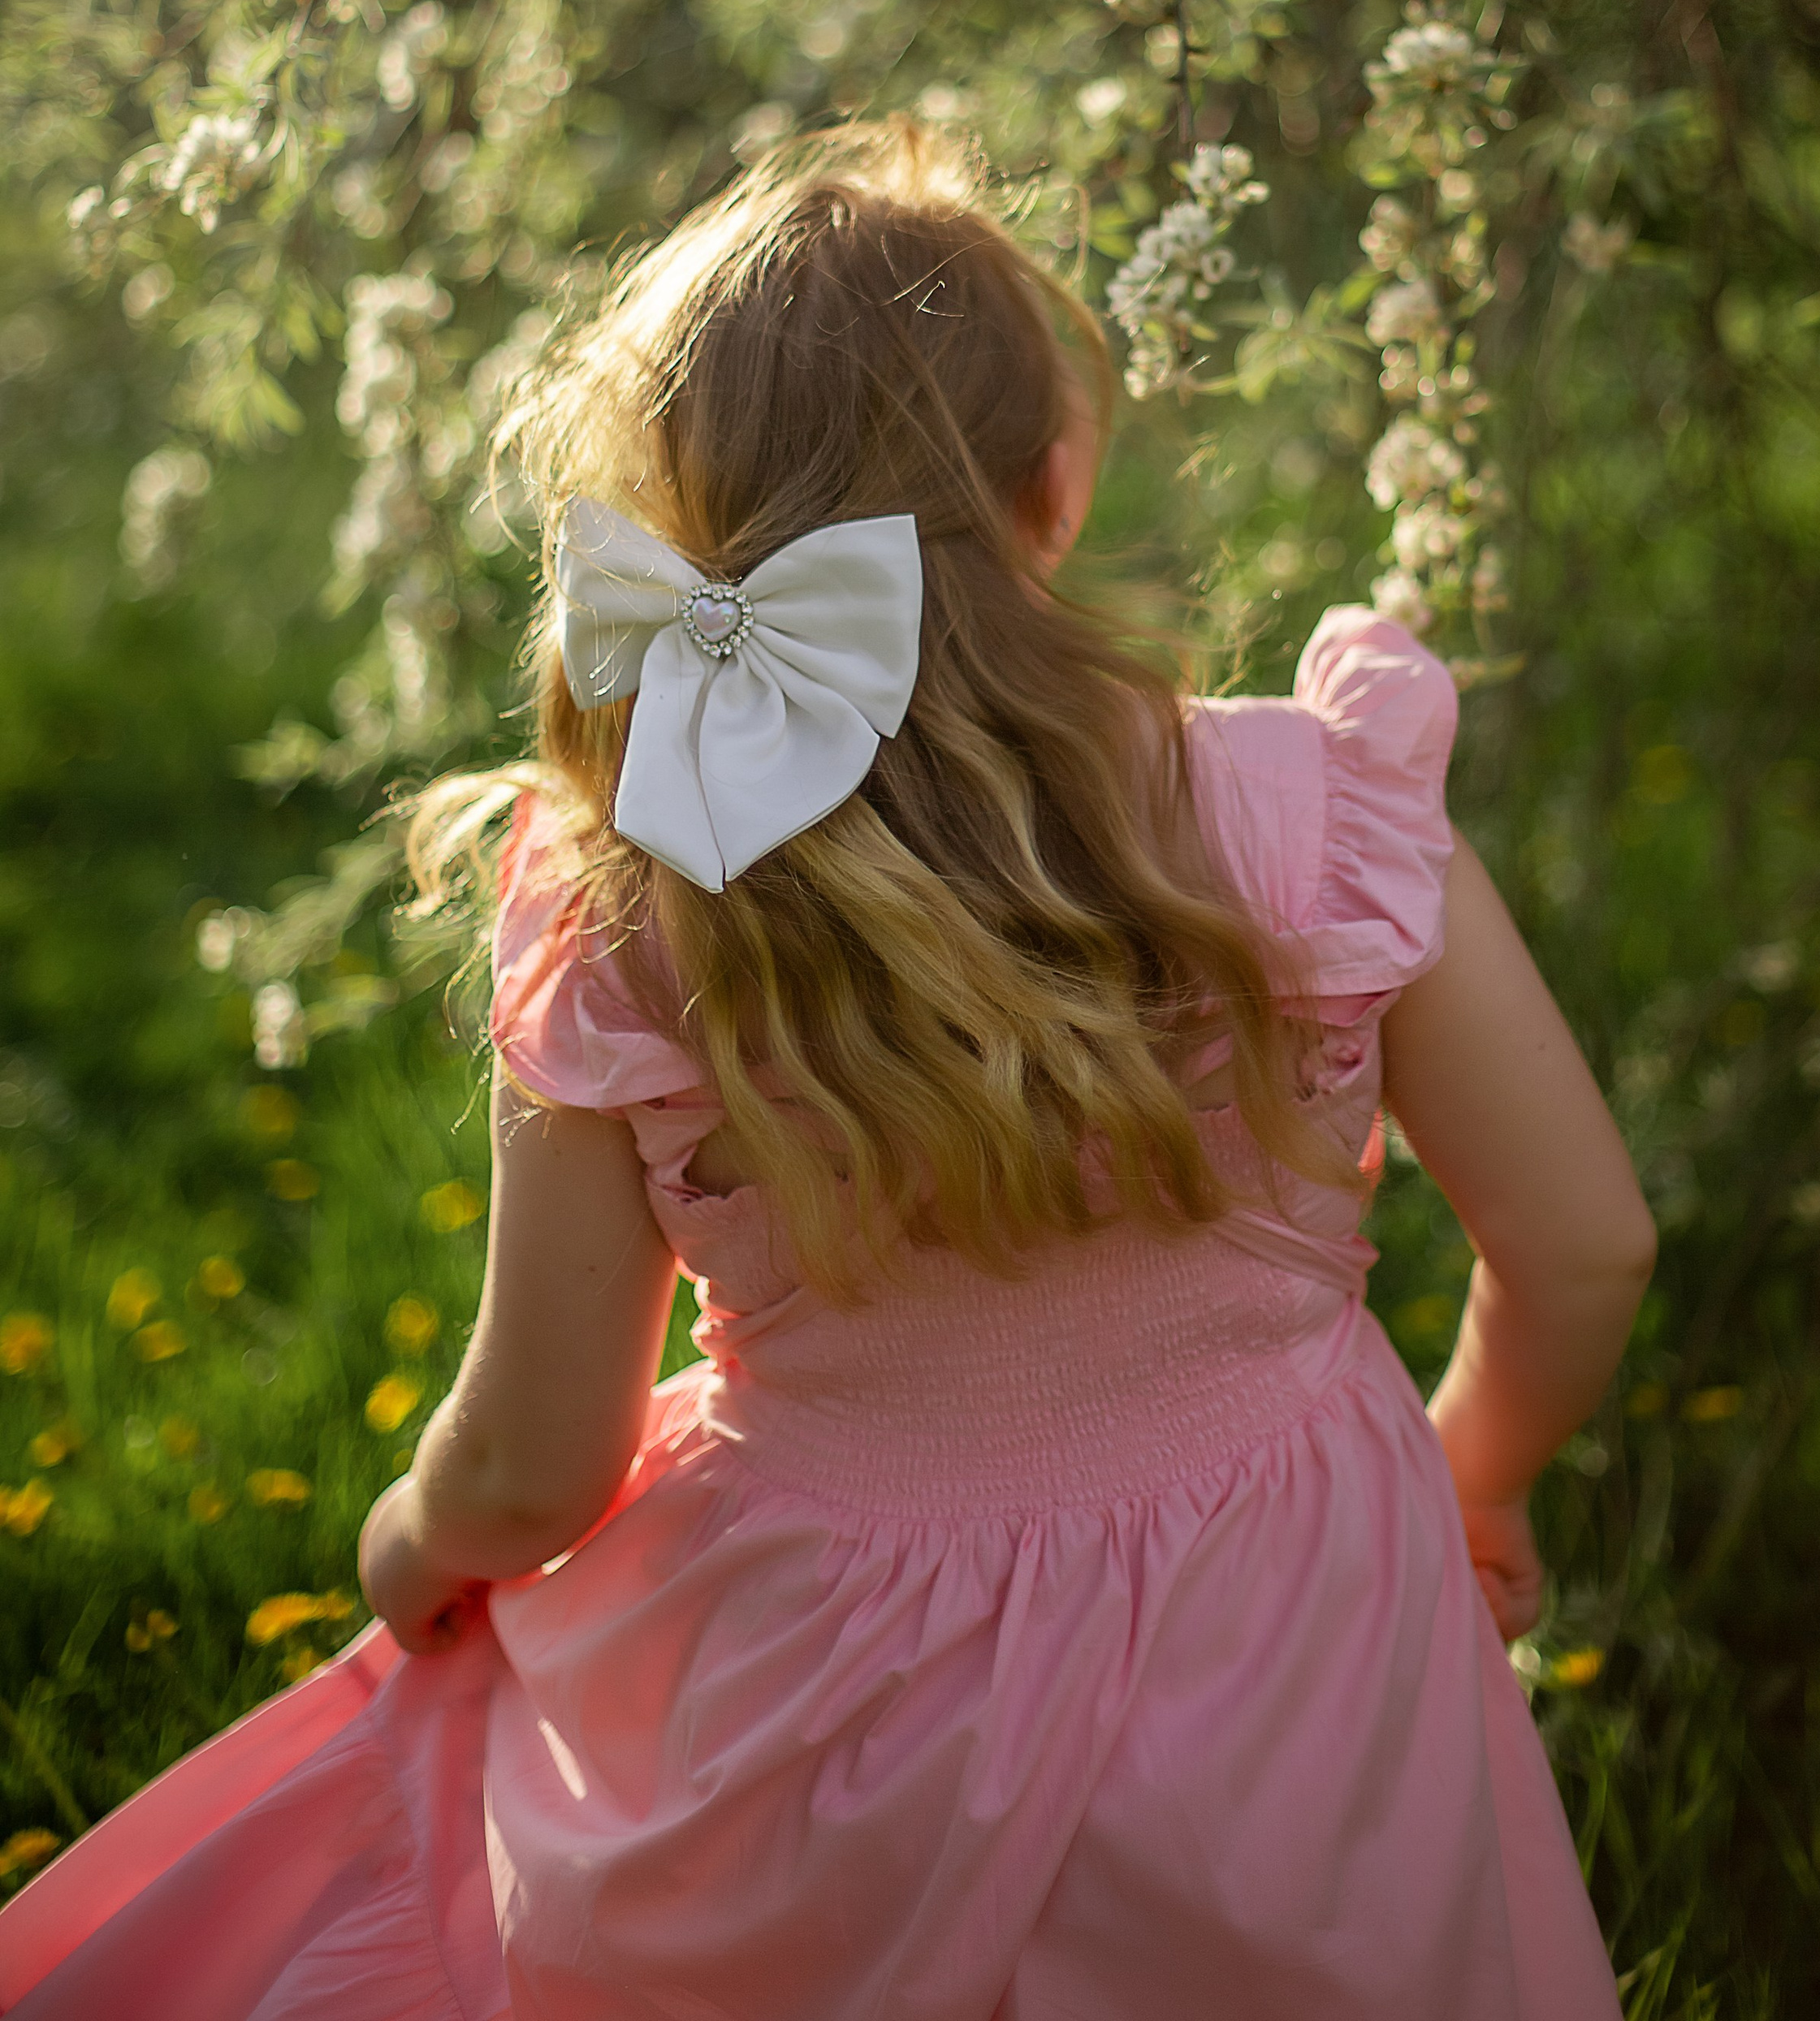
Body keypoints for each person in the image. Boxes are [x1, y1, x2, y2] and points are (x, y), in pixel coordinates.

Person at [0, 121, 1654, 2021]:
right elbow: (1585, 1241)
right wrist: (1474, 1476)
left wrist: (411, 1539)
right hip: (1284, 1629)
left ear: (682, 524)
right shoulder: (1316, 813)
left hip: (816, 1705)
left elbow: (539, 1457)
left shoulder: (632, 904)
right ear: (1055, 484)